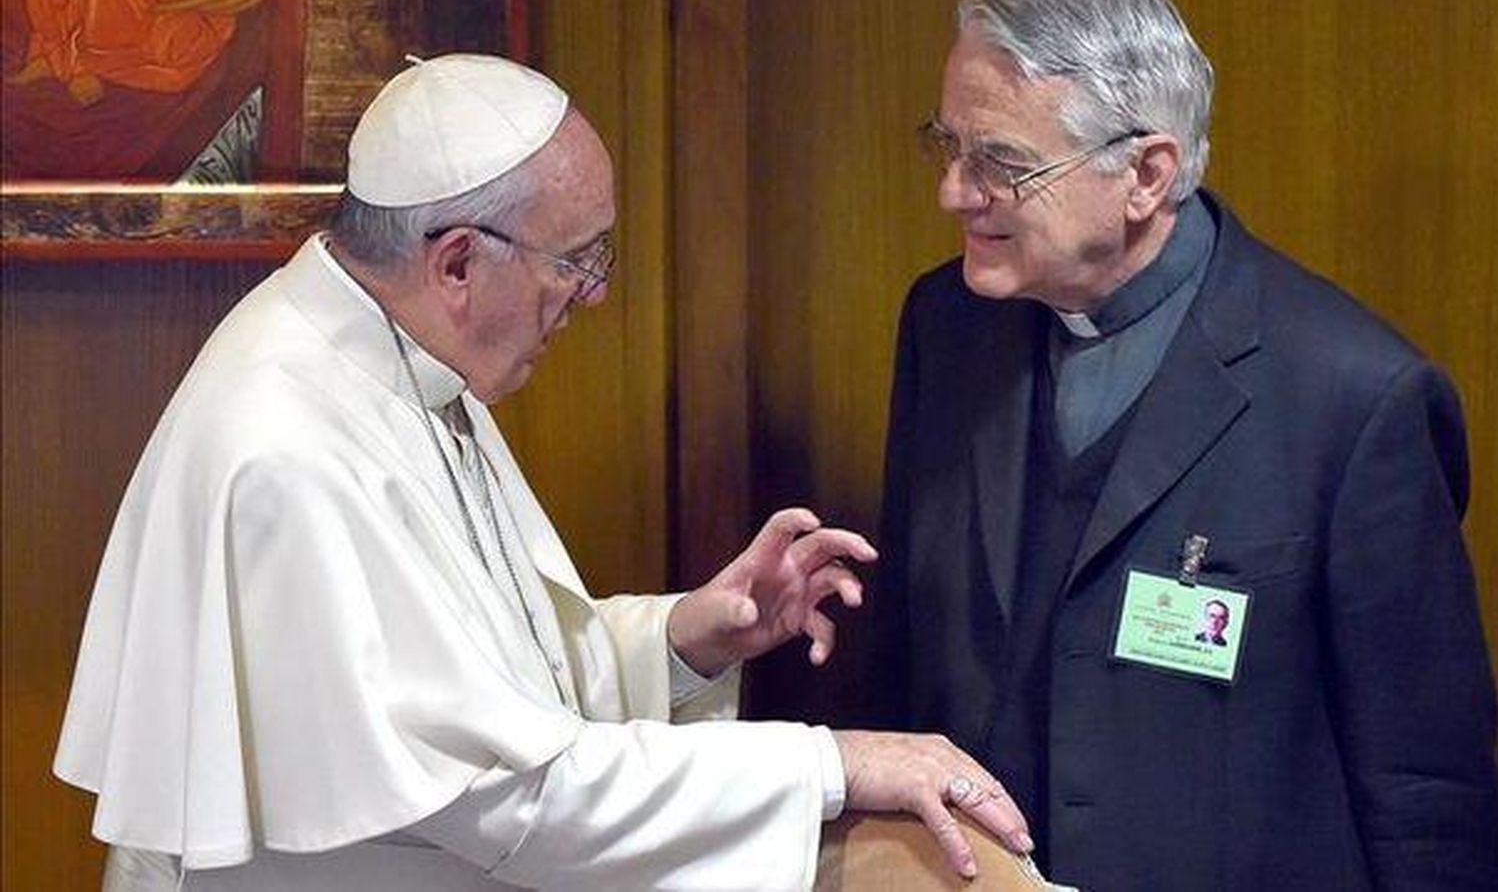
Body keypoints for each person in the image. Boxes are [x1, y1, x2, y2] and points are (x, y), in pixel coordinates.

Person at [54, 54, 1032, 890]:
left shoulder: (397, 363)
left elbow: (481, 681)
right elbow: (502, 787)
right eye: (578, 259)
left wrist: (686, 638)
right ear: (457, 263)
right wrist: (835, 764)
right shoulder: (289, 445)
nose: (593, 295)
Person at [870, 0, 1498, 889]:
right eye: (948, 145)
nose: (954, 192)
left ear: (1147, 174)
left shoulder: (1357, 398)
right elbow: (897, 661)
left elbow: (1426, 795)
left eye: (1001, 162)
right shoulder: (947, 327)